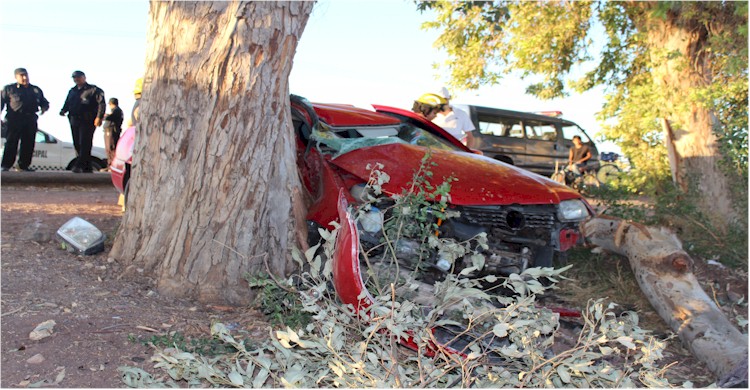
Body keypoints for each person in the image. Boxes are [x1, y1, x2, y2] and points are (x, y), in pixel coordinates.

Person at [1, 68, 49, 172]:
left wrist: (44, 108)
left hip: (30, 119)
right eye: (21, 76)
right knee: (11, 142)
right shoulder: (9, 89)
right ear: (16, 77)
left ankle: (23, 166)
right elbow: (1, 103)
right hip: (14, 119)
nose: (24, 78)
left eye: (26, 75)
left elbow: (44, 102)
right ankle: (6, 165)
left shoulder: (35, 89)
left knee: (28, 143)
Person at [60, 70, 106, 173]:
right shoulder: (72, 91)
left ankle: (79, 165)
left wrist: (99, 117)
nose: (76, 79)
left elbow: (101, 104)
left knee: (85, 142)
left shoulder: (94, 90)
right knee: (77, 143)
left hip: (87, 120)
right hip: (74, 119)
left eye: (78, 77)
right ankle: (87, 166)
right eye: (74, 78)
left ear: (84, 77)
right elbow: (68, 103)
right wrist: (63, 110)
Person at [101, 97, 123, 171]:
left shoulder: (116, 111)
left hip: (111, 131)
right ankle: (110, 165)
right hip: (110, 131)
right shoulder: (116, 111)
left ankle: (112, 166)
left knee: (111, 148)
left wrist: (104, 116)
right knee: (109, 149)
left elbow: (110, 117)